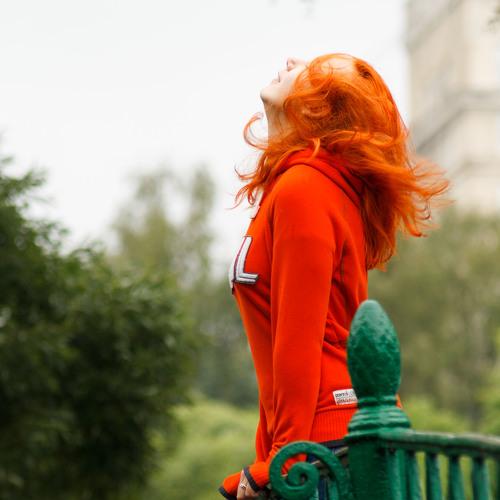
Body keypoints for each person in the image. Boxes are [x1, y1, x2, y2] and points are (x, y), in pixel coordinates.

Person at [218, 53, 452, 500]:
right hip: (323, 442)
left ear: (322, 107)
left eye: (312, 71)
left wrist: (281, 459)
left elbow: (299, 338)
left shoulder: (305, 188)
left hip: (327, 447)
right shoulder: (302, 184)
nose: (292, 60)